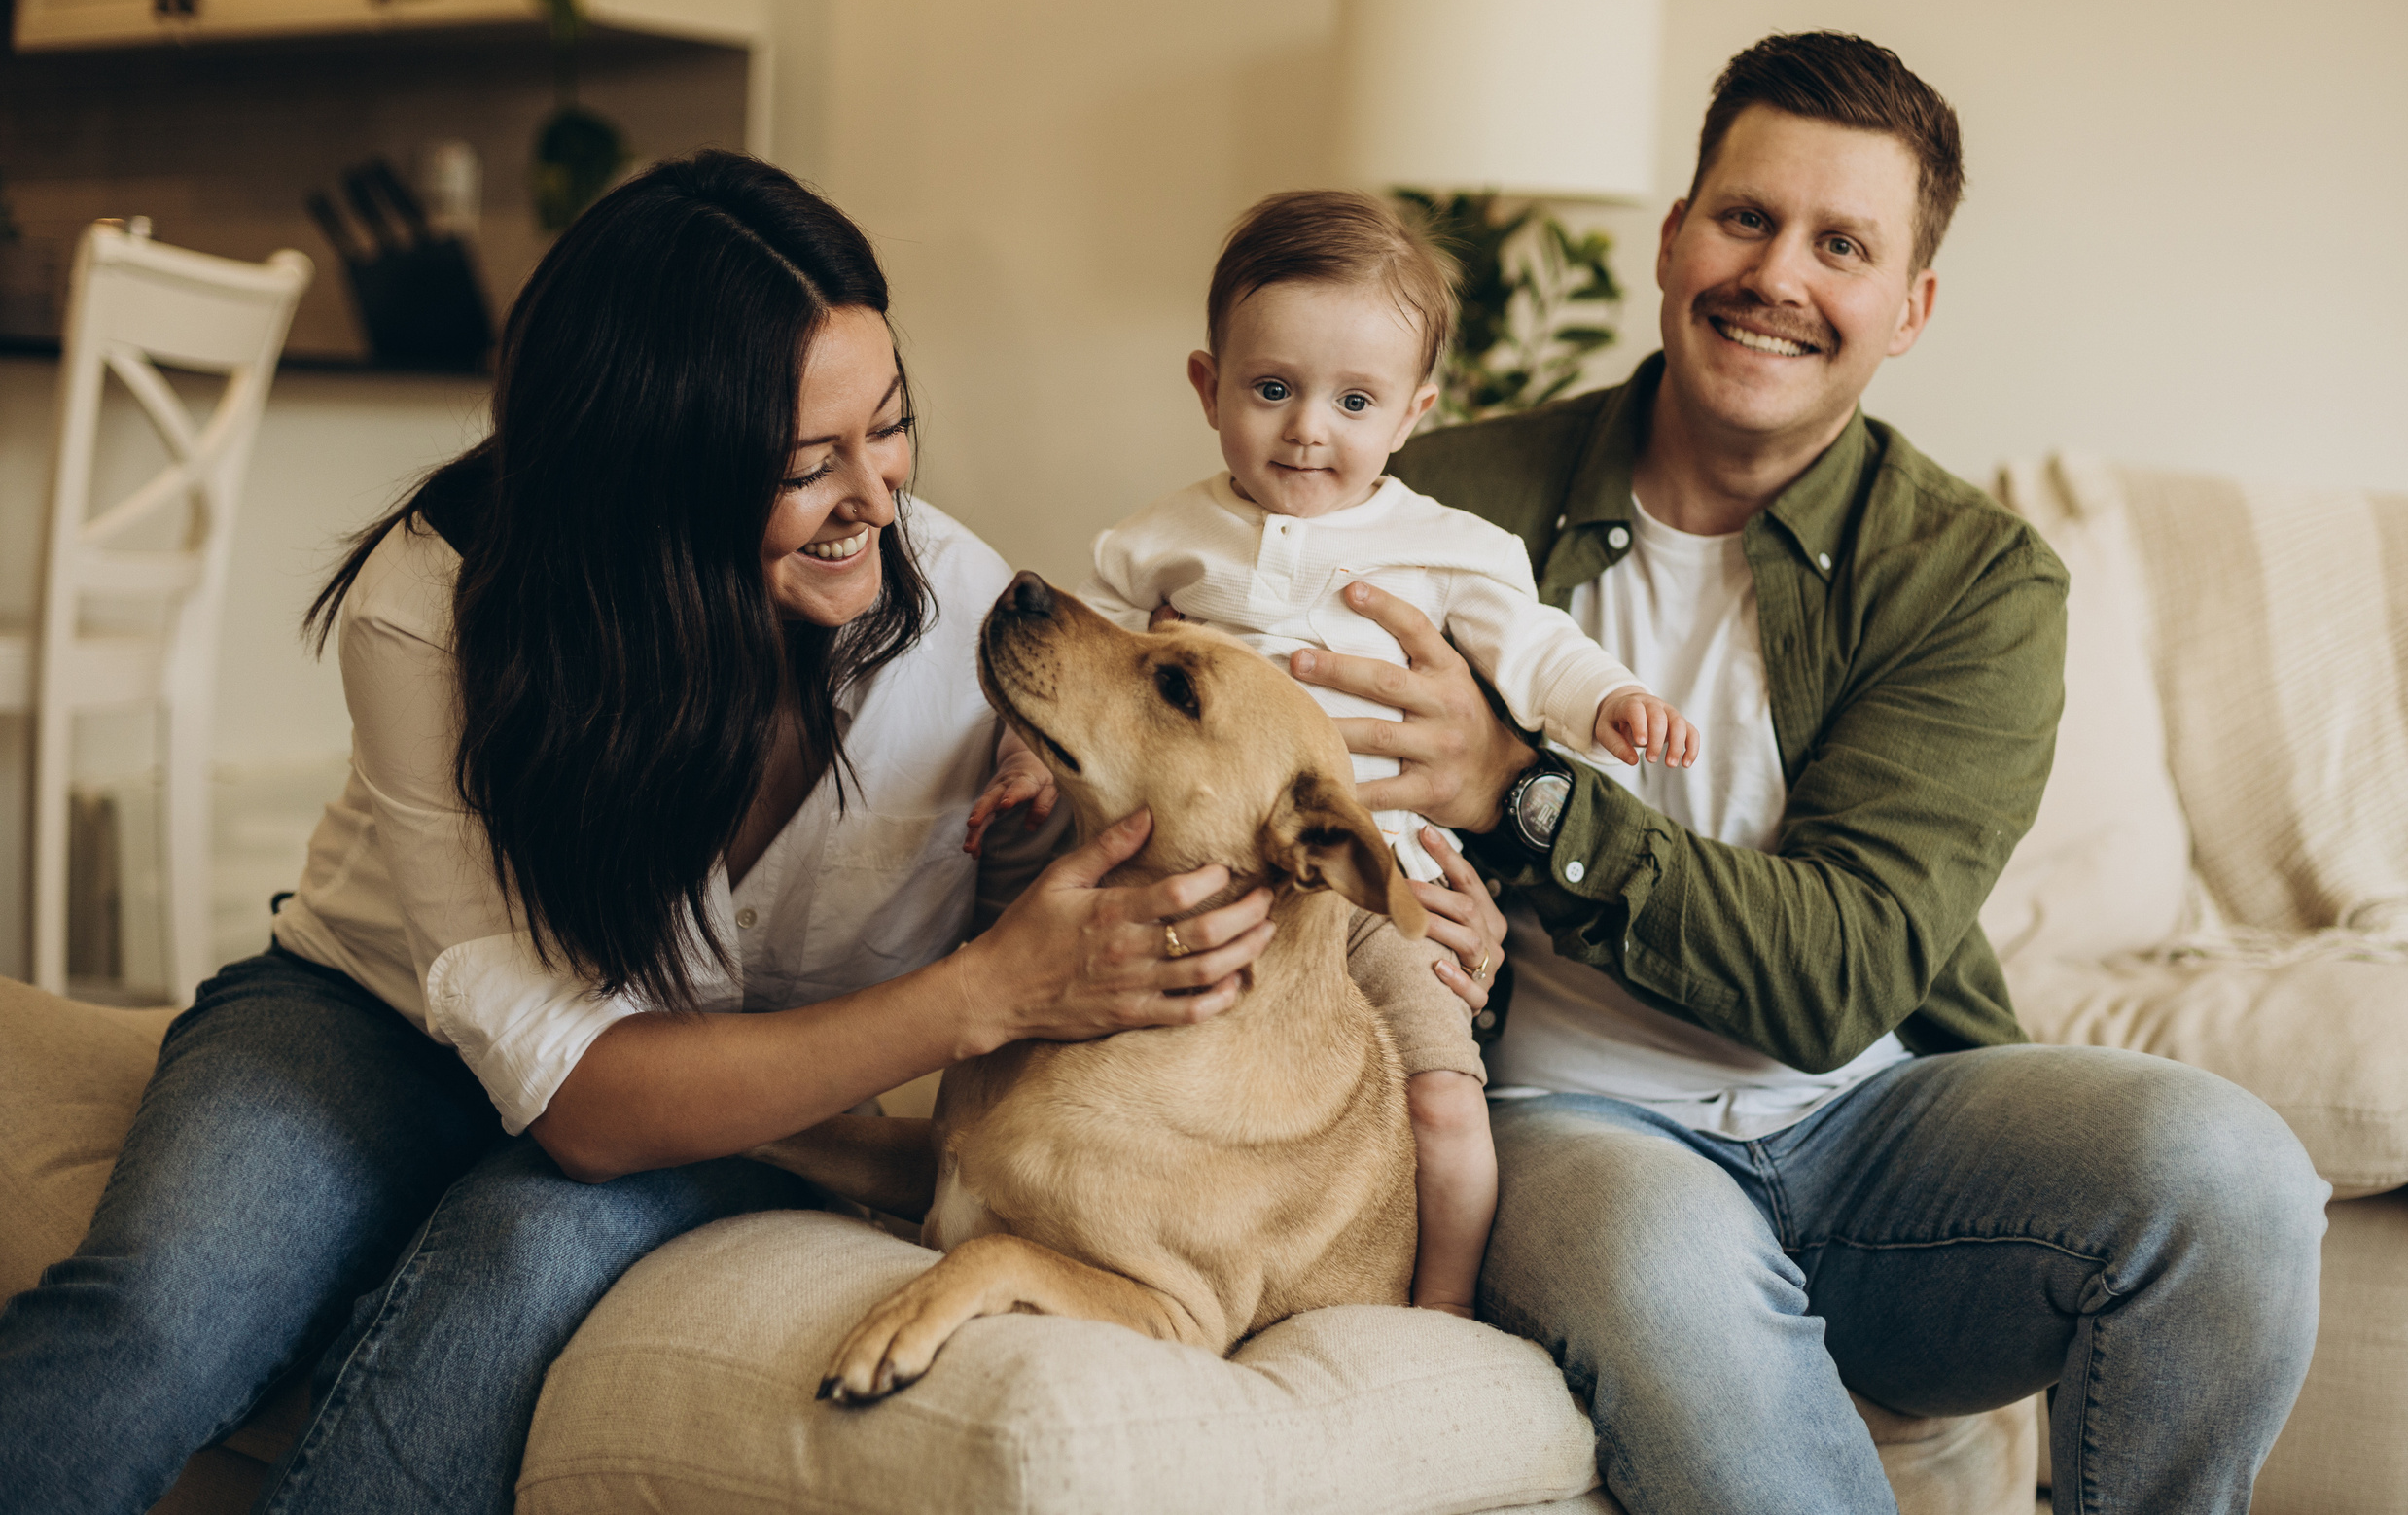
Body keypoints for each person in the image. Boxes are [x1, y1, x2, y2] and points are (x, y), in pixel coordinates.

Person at [0, 152, 1507, 1515]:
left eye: (892, 425)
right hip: (375, 1017)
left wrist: (1437, 923)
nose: (877, 501)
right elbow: (582, 1092)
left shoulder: (980, 634)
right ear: (655, 467)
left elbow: (1252, 849)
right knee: (149, 1313)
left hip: (735, 1086)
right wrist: (988, 989)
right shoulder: (436, 602)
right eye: (807, 462)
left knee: (504, 1270)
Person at [1288, 33, 2330, 1512]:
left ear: (1907, 308)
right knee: (1667, 1255)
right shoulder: (1445, 503)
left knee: (2235, 1170)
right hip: (1564, 1122)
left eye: (1841, 244)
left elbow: (1842, 970)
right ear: (1673, 232)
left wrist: (1527, 787)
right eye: (1747, 217)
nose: (1778, 274)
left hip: (1876, 1128)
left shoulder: (1972, 578)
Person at [967, 189, 1687, 1319]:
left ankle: (1432, 1321)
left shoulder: (1449, 548)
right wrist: (1022, 755)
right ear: (1208, 388)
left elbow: (1535, 648)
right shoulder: (1165, 535)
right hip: (1204, 873)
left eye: (1354, 400)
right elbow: (1079, 657)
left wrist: (1607, 704)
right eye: (1272, 390)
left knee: (1443, 1104)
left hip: (1374, 890)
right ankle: (1125, 1238)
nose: (1309, 428)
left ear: (1412, 413)